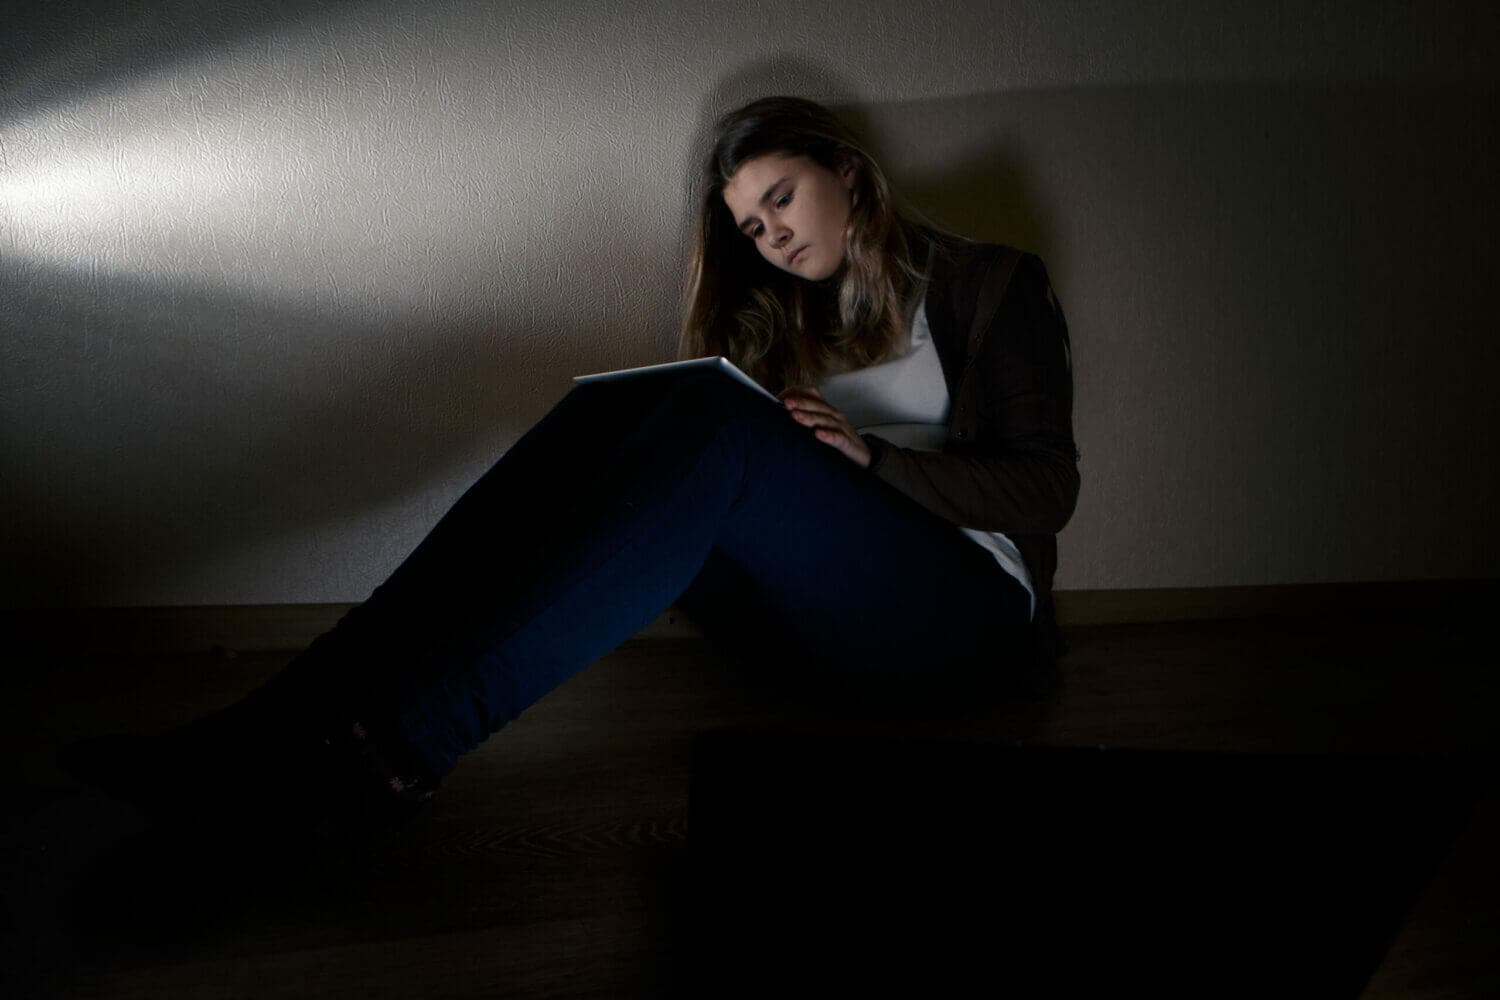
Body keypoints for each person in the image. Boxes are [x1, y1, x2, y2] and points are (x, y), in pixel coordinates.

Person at [60, 96, 1080, 840]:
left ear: (847, 172)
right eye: (752, 225)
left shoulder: (989, 283)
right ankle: (282, 718)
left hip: (967, 622)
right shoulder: (788, 316)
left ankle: (396, 751)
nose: (772, 235)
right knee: (618, 410)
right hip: (825, 629)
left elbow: (1047, 491)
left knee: (713, 421)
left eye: (783, 197)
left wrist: (873, 457)